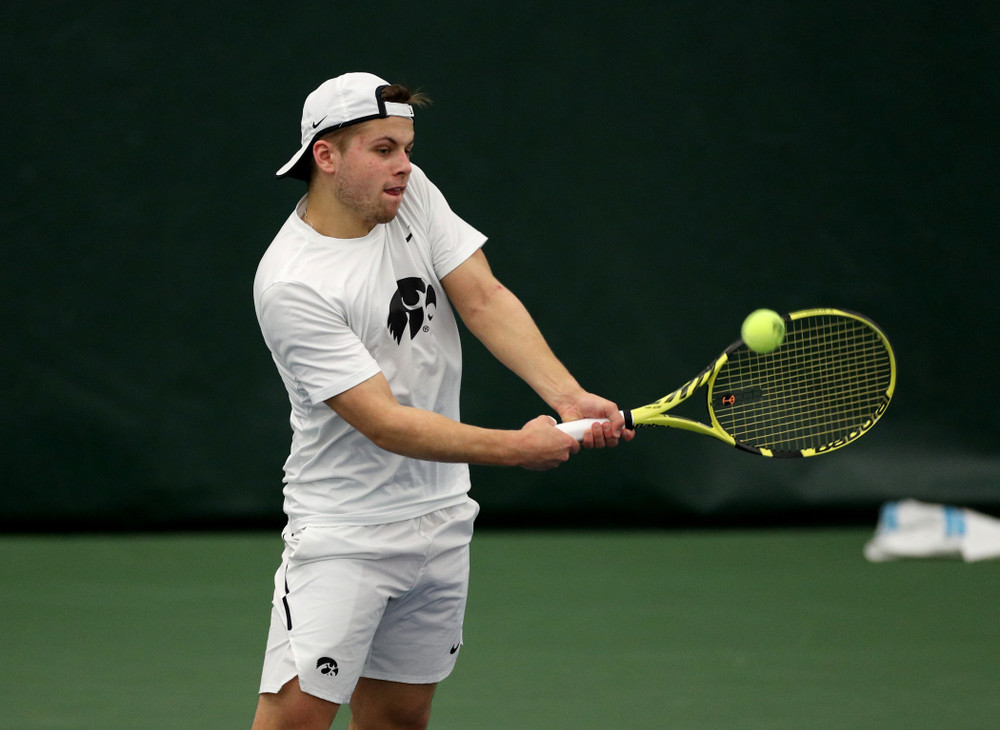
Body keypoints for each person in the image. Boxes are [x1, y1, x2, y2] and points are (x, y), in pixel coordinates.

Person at [250, 72, 632, 730]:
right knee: (294, 722)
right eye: (383, 149)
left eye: (408, 148)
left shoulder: (412, 197)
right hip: (346, 532)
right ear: (326, 155)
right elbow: (385, 423)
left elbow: (482, 298)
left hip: (441, 518)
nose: (403, 166)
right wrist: (519, 449)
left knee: (400, 717)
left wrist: (567, 397)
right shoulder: (293, 284)